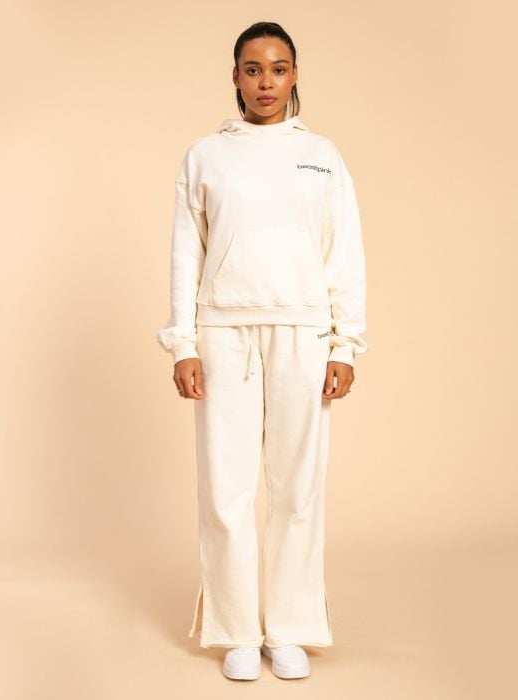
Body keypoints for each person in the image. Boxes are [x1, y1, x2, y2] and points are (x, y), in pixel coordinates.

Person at [156, 21, 368, 681]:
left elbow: (344, 252)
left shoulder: (322, 156)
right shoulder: (205, 156)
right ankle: (237, 631)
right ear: (235, 77)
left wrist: (345, 344)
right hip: (224, 333)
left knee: (297, 487)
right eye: (253, 69)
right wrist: (183, 342)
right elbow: (185, 254)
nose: (266, 82)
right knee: (226, 487)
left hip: (304, 332)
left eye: (278, 69)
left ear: (294, 75)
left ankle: (291, 628)